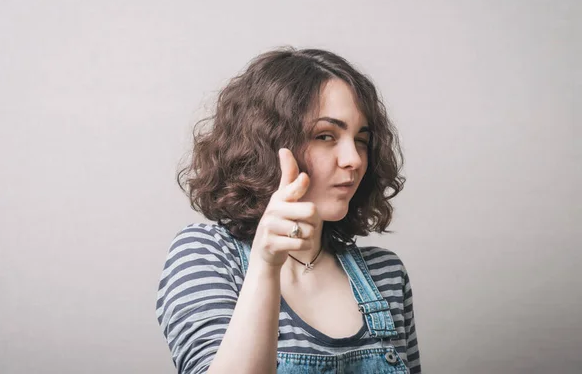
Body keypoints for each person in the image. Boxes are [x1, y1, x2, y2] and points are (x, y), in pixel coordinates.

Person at [156, 47, 421, 373]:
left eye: (361, 140)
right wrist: (266, 266)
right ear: (268, 144)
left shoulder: (387, 275)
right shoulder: (206, 254)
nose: (353, 159)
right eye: (325, 136)